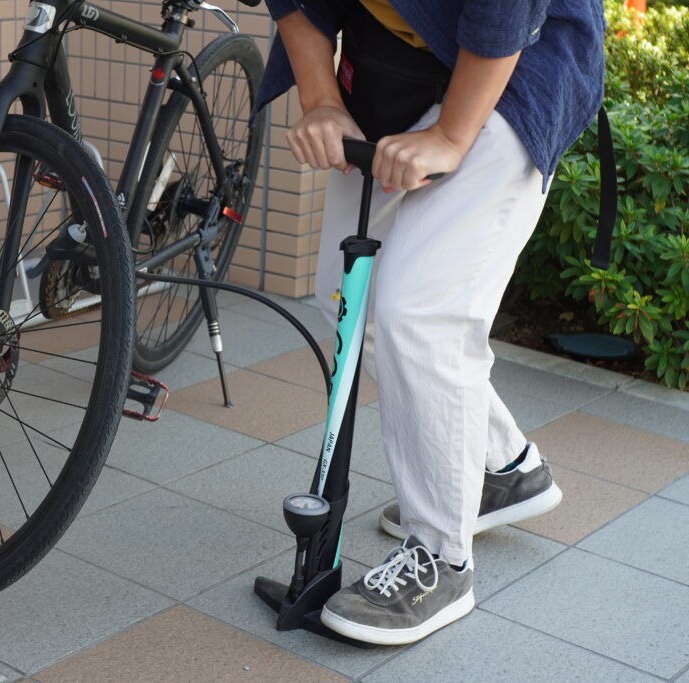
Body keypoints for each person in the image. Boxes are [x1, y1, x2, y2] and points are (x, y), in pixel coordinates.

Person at [257, 0, 605, 645]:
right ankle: (505, 470)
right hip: (391, 70)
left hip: (512, 68)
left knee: (419, 313)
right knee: (354, 300)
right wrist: (321, 98)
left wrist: (449, 136)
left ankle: (441, 558)